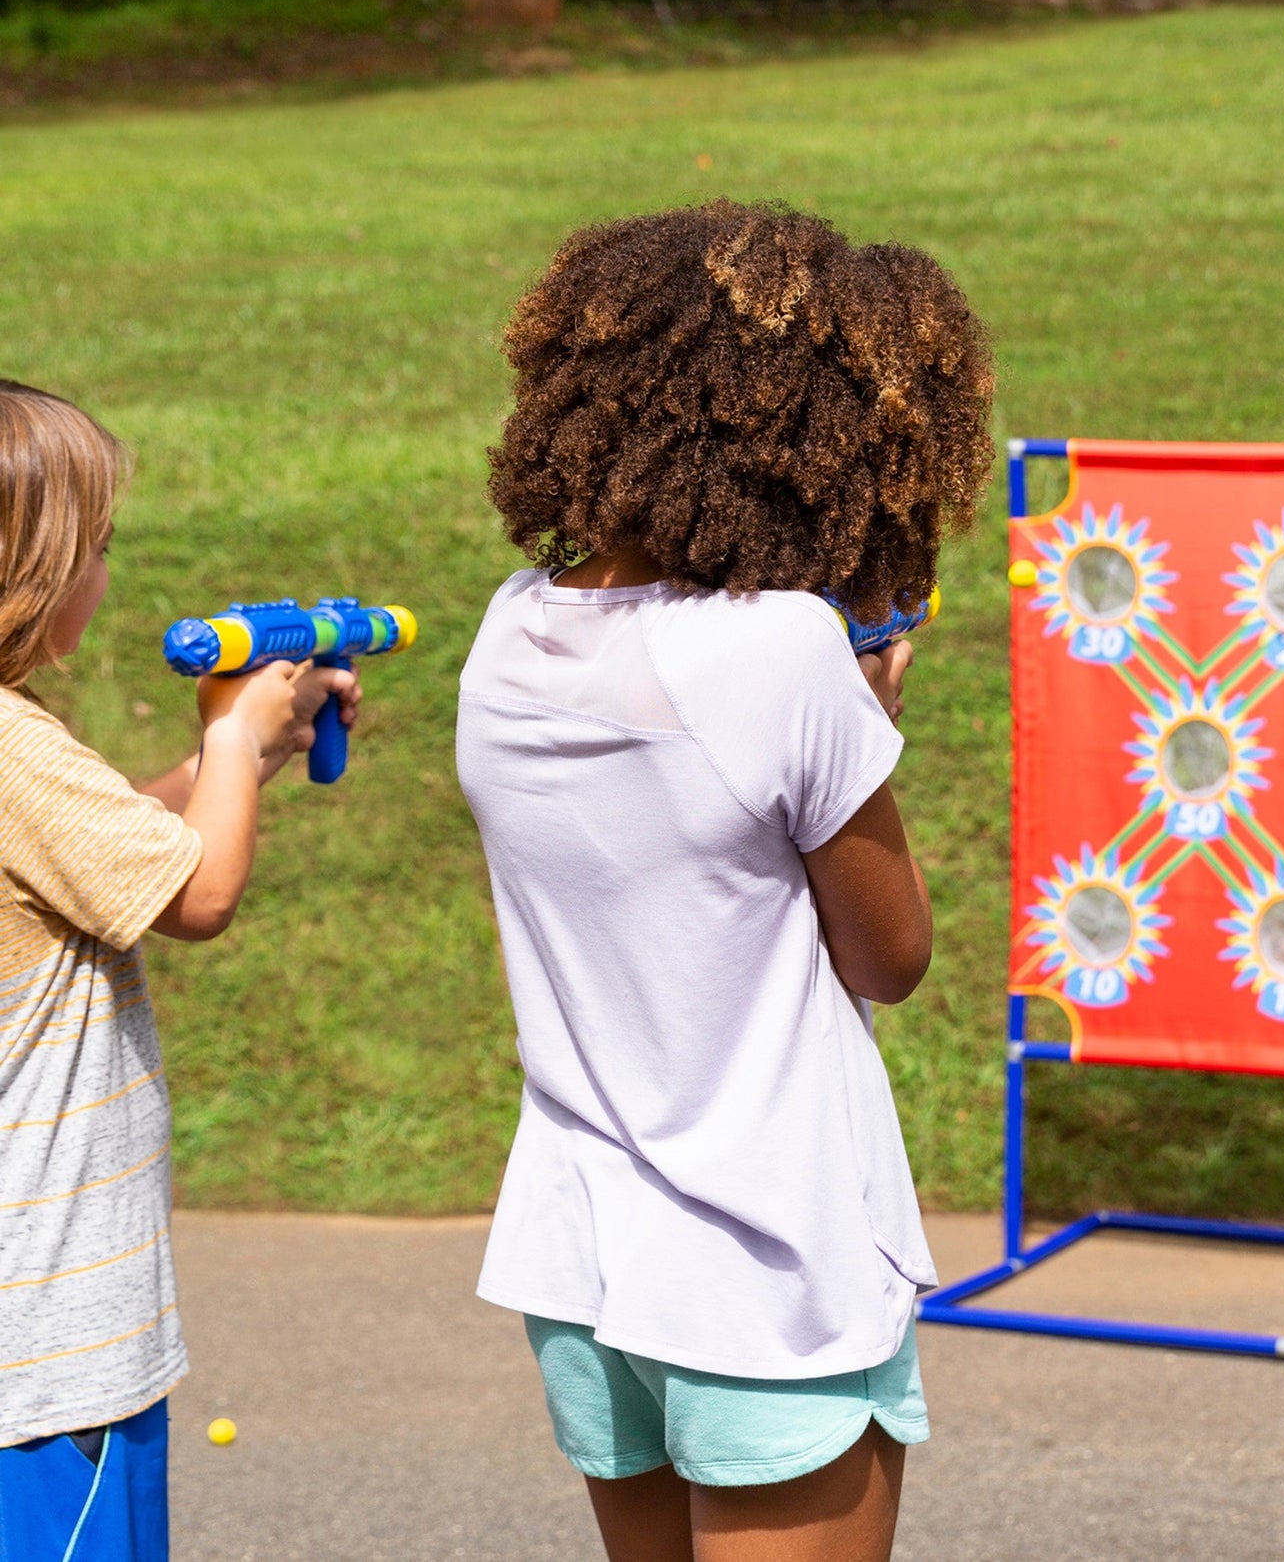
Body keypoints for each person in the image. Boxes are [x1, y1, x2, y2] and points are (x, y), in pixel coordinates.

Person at [456, 201, 994, 1561]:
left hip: (582, 1258)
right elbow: (891, 953)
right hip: (766, 1268)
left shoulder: (510, 630)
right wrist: (869, 718)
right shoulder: (788, 655)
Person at [0, 379, 360, 1561]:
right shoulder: (12, 746)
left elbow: (117, 848)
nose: (106, 572)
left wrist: (245, 760)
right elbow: (195, 892)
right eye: (95, 546)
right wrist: (231, 735)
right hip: (49, 1355)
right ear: (32, 567)